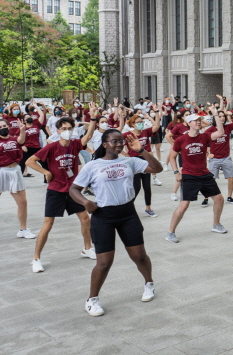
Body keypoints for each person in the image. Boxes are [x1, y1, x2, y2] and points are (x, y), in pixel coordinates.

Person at [69, 130, 162, 316]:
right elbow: (74, 189)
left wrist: (141, 150)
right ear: (104, 144)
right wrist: (86, 202)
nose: (119, 144)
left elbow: (157, 168)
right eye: (114, 141)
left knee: (139, 256)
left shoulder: (130, 161)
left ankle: (149, 283)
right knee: (104, 262)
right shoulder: (92, 166)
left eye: (121, 141)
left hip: (128, 213)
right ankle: (92, 300)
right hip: (103, 216)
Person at [27, 111, 98, 272]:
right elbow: (31, 161)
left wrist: (92, 119)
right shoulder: (51, 147)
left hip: (73, 189)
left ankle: (87, 248)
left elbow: (88, 136)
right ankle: (36, 258)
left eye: (69, 128)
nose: (67, 130)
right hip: (56, 189)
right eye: (64, 128)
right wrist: (45, 172)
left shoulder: (75, 144)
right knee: (48, 224)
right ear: (58, 130)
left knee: (85, 219)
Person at [166, 111, 228, 243]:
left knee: (219, 199)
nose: (199, 122)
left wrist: (216, 115)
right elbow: (172, 156)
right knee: (184, 205)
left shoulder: (204, 136)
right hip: (189, 175)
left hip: (205, 174)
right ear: (189, 123)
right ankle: (170, 232)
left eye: (199, 120)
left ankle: (216, 225)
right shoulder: (181, 140)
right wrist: (176, 172)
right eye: (195, 121)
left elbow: (220, 132)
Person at [0, 118, 35, 239]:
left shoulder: (14, 139)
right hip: (1, 171)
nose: (3, 128)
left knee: (23, 202)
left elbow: (21, 140)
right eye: (0, 127)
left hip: (15, 170)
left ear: (8, 127)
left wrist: (22, 130)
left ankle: (23, 229)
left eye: (4, 126)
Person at [122, 110, 161, 218]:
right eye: (138, 122)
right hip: (134, 161)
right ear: (133, 124)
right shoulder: (127, 135)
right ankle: (128, 207)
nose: (141, 123)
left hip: (145, 160)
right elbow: (117, 142)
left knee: (147, 186)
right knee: (136, 186)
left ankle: (148, 208)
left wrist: (156, 113)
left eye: (142, 121)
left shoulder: (145, 132)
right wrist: (125, 154)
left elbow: (156, 126)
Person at [206, 97, 233, 205]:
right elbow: (203, 142)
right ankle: (207, 198)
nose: (222, 118)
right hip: (214, 159)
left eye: (223, 116)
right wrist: (207, 153)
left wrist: (231, 114)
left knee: (231, 178)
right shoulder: (210, 130)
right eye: (219, 117)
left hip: (226, 157)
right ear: (215, 118)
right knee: (211, 180)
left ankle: (229, 197)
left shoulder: (227, 127)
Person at [164, 111, 189, 200]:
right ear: (182, 117)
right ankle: (174, 192)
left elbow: (207, 123)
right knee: (182, 174)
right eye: (187, 115)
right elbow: (168, 136)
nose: (189, 116)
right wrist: (175, 146)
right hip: (183, 153)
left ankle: (196, 189)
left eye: (190, 115)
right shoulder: (179, 126)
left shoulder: (193, 126)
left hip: (192, 153)